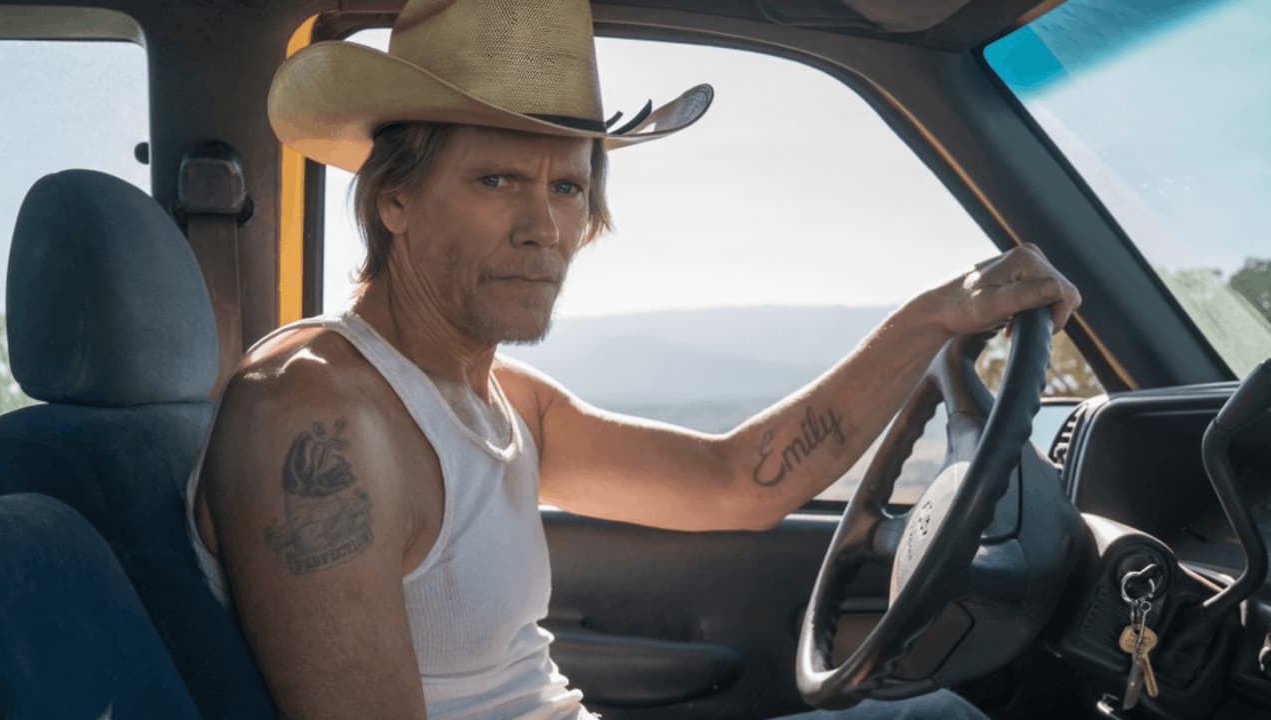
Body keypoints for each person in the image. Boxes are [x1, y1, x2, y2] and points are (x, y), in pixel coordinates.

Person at [184, 0, 1081, 718]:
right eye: (495, 180)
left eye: (567, 187)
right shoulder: (312, 415)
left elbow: (737, 481)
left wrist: (931, 320)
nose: (543, 228)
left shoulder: (500, 399)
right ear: (395, 201)